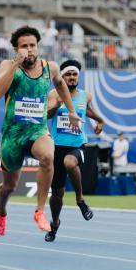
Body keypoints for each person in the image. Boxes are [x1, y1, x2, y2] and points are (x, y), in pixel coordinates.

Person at [0, 26, 81, 236]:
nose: (30, 50)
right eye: (24, 46)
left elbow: (60, 84)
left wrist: (71, 111)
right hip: (12, 134)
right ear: (16, 49)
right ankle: (1, 209)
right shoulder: (8, 64)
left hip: (37, 129)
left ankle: (40, 211)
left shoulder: (49, 67)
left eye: (33, 45)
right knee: (9, 186)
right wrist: (15, 63)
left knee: (48, 157)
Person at [44, 59, 105, 241]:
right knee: (57, 194)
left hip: (77, 145)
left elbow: (86, 110)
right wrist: (57, 105)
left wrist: (100, 120)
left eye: (74, 74)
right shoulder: (54, 94)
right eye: (68, 75)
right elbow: (46, 115)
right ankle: (54, 224)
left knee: (70, 162)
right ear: (62, 77)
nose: (71, 77)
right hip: (56, 147)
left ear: (78, 76)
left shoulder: (85, 95)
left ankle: (80, 200)